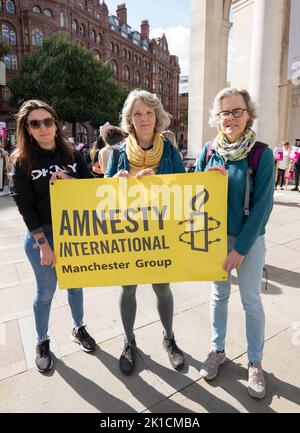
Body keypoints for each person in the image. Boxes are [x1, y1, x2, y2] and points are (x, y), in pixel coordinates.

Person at [194, 88, 274, 399]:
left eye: (237, 111)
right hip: (214, 237)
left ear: (248, 113)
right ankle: (217, 350)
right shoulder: (209, 150)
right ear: (217, 117)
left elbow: (263, 206)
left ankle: (255, 361)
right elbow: (194, 194)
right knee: (219, 295)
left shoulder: (261, 153)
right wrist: (206, 178)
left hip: (249, 240)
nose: (230, 118)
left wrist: (241, 248)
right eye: (225, 112)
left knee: (251, 301)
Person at [11, 100, 96, 373]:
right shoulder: (22, 161)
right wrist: (43, 244)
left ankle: (79, 328)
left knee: (75, 284)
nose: (43, 127)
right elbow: (24, 205)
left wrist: (69, 182)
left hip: (72, 230)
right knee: (46, 291)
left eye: (48, 121)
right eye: (35, 123)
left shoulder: (72, 154)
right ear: (27, 128)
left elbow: (92, 189)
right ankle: (42, 339)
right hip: (42, 237)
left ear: (55, 123)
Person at [105, 89, 186, 376]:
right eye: (137, 113)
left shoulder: (171, 151)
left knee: (162, 287)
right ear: (129, 119)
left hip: (161, 233)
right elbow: (103, 192)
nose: (143, 118)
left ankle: (169, 338)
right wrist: (116, 181)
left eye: (149, 112)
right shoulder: (116, 153)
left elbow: (185, 187)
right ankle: (129, 342)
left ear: (157, 116)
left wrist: (161, 181)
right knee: (127, 288)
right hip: (129, 234)